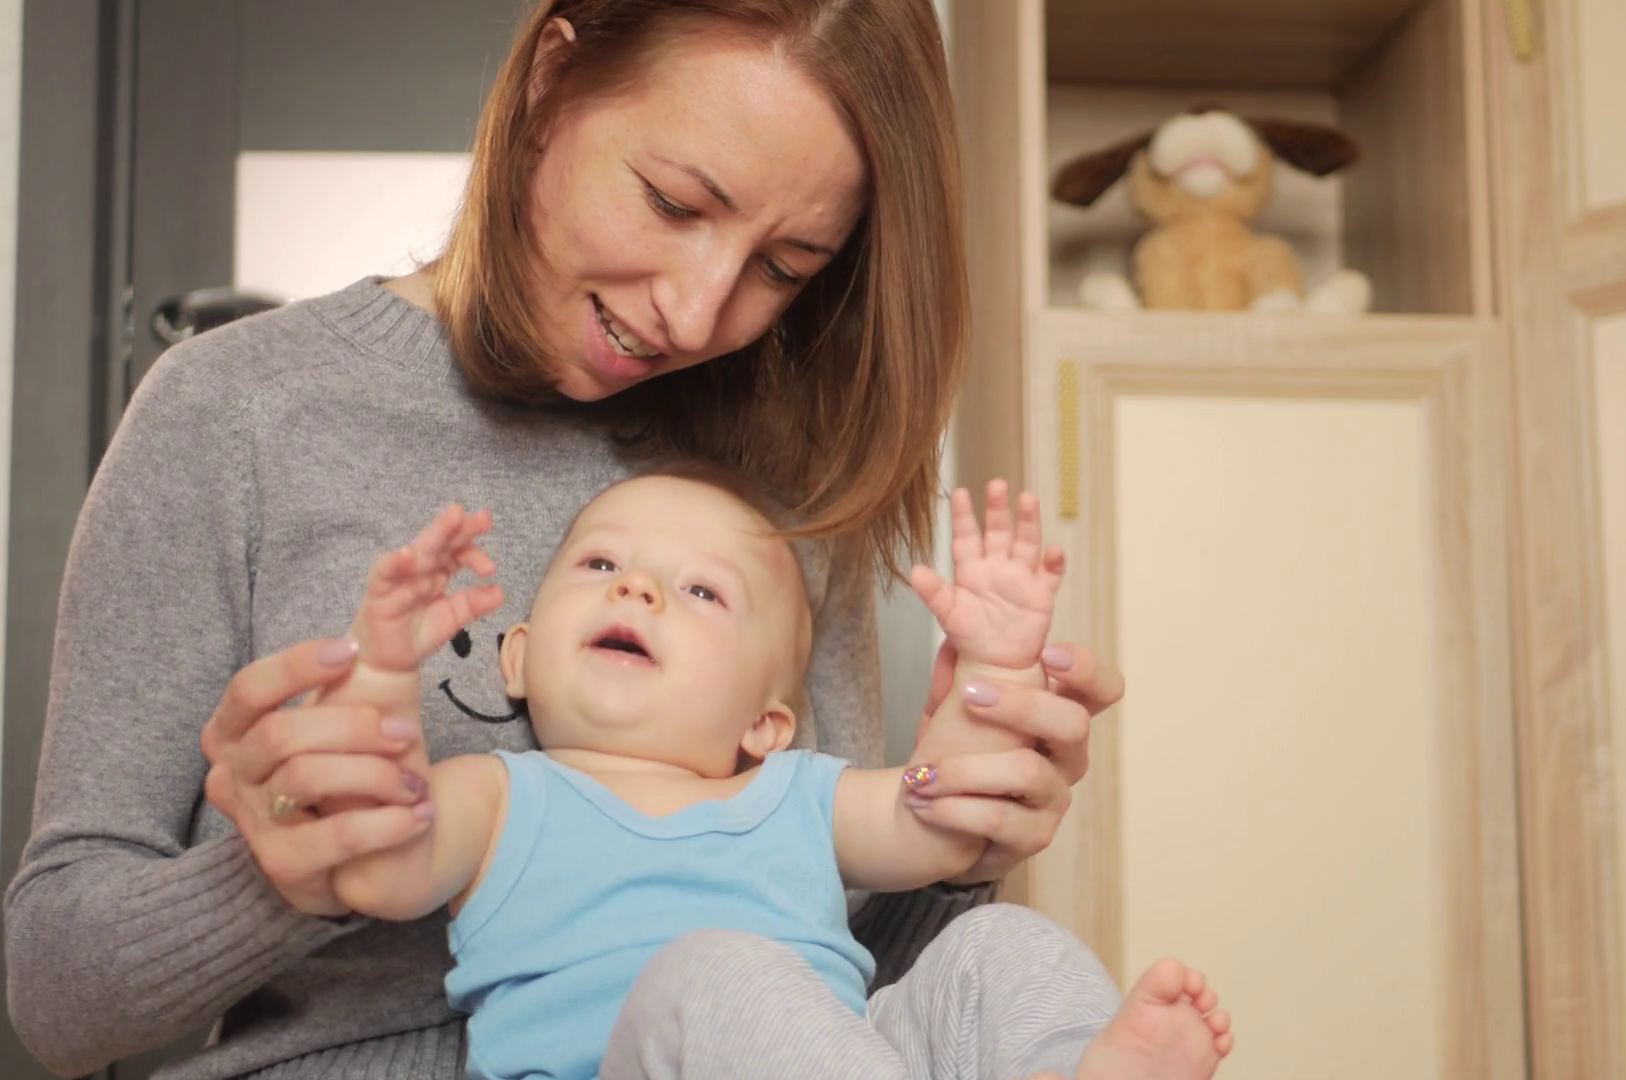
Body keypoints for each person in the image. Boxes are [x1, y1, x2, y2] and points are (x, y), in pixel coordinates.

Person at [2, 3, 1126, 1077]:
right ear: (550, 82)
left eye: (783, 268)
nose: (697, 311)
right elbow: (53, 995)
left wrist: (966, 820)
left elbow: (838, 960)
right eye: (674, 204)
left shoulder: (780, 492)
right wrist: (282, 876)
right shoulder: (236, 410)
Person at [320, 467, 1231, 1080]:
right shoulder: (497, 797)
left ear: (766, 724)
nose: (637, 588)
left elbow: (945, 814)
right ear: (516, 658)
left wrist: (995, 665)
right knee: (712, 973)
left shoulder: (794, 795)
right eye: (601, 563)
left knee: (998, 947)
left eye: (702, 591)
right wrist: (378, 677)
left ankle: (1071, 1066)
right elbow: (373, 864)